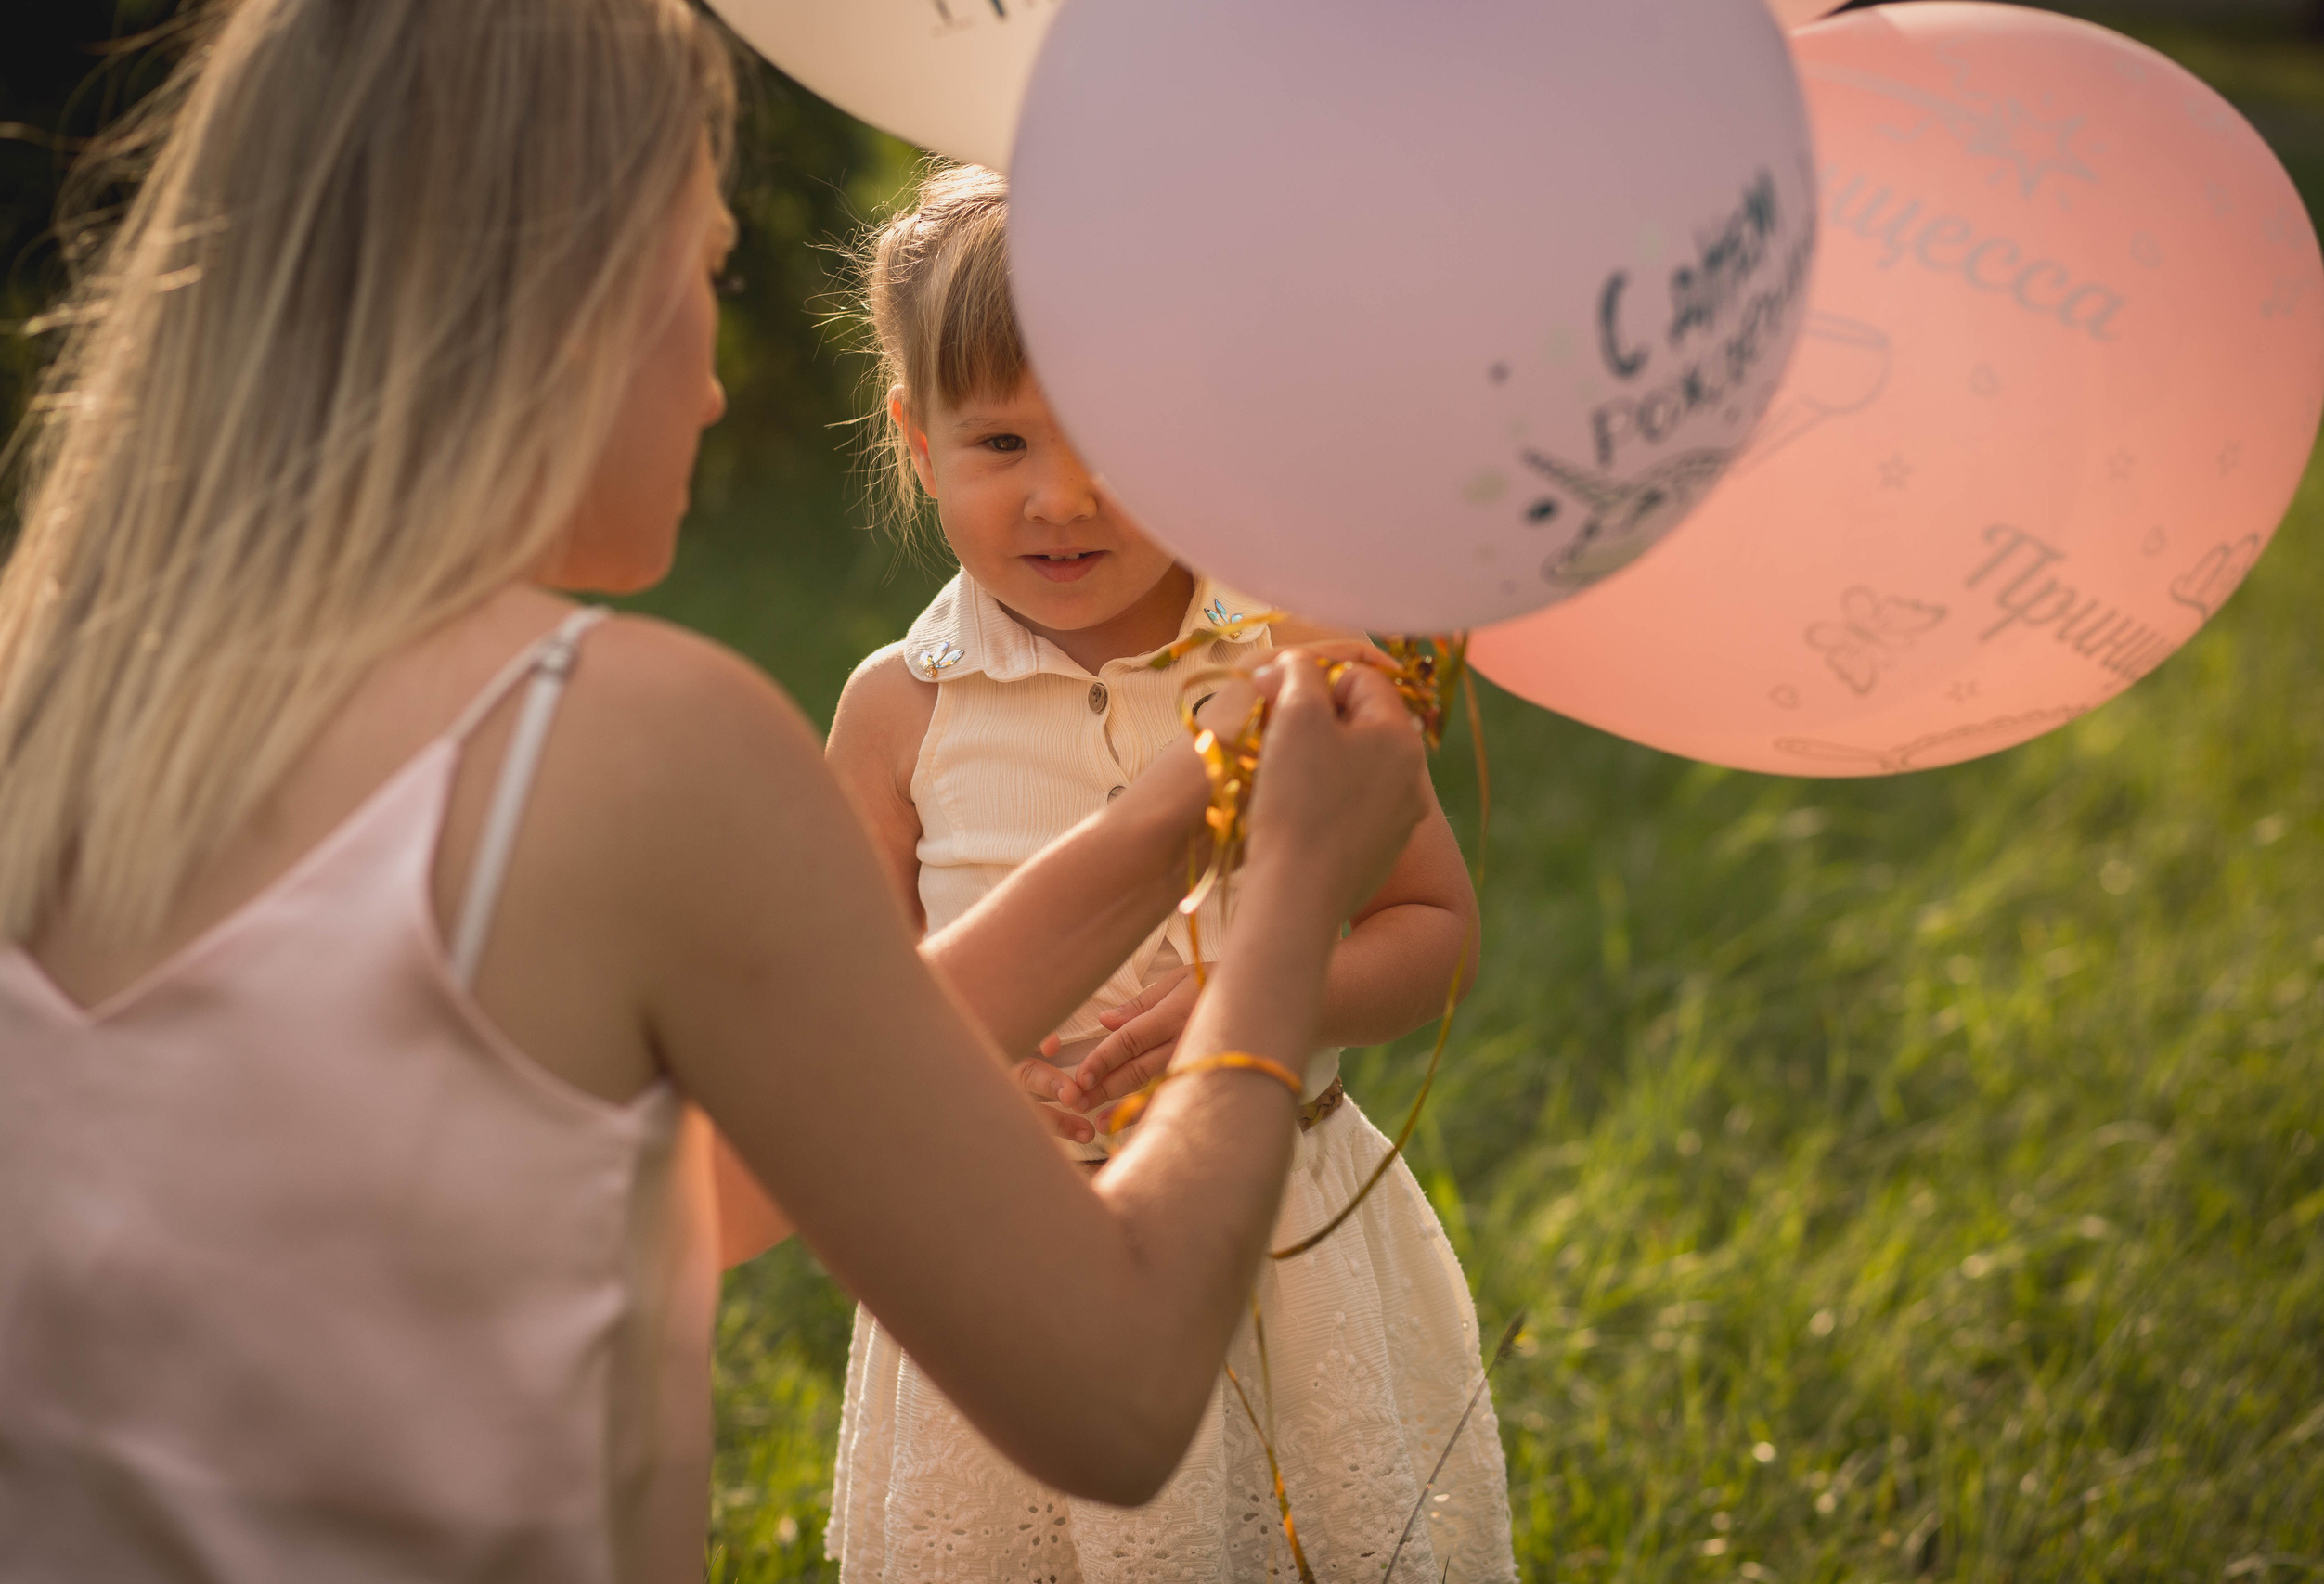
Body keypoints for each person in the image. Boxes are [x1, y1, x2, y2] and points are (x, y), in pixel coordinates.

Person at [0, 4, 1433, 1581]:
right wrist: (1287, 896)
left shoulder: (46, 731)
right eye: (706, 268)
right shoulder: (629, 745)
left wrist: (1181, 810)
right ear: (572, 306)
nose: (707, 386)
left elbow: (723, 1188)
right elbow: (1120, 1397)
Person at [813, 163, 1517, 1583]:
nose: (1061, 498)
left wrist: (1266, 998)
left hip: (1271, 1239)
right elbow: (845, 1020)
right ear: (917, 440)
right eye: (1000, 442)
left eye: (1122, 442)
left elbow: (1434, 924)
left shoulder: (1298, 669)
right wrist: (947, 1110)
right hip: (1004, 1250)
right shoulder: (901, 708)